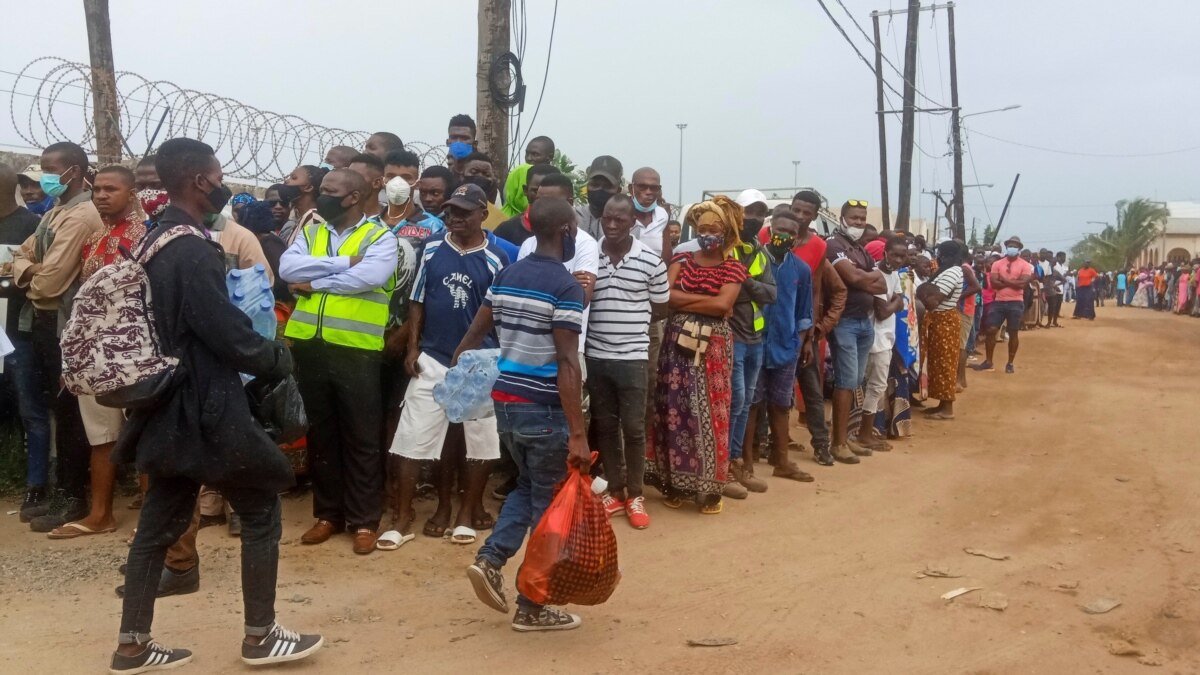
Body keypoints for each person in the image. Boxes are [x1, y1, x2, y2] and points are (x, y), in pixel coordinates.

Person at [110, 137, 321, 672]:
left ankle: (132, 645)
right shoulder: (193, 247)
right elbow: (221, 330)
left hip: (164, 402)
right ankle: (260, 636)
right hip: (206, 403)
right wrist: (274, 356)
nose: (223, 182)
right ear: (201, 181)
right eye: (218, 173)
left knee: (158, 523)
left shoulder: (153, 240)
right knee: (259, 509)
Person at [457, 197, 588, 632]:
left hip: (506, 406)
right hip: (544, 409)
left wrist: (461, 370)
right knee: (548, 511)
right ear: (566, 231)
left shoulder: (508, 273)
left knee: (529, 487)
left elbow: (474, 333)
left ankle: (490, 560)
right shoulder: (566, 287)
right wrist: (578, 433)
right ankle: (532, 606)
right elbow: (568, 363)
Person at [281, 168, 399, 556]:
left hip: (355, 347)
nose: (321, 195)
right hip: (309, 345)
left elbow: (370, 276)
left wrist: (315, 281)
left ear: (353, 197)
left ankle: (364, 520)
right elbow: (287, 269)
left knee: (362, 435)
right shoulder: (313, 230)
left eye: (330, 190)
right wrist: (344, 263)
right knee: (321, 433)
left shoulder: (382, 237)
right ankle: (328, 514)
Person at [386, 183, 507, 547]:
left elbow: (500, 314)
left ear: (483, 215)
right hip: (433, 358)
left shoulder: (498, 258)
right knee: (411, 437)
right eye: (451, 211)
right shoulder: (433, 248)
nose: (454, 218)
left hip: (479, 364)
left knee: (479, 442)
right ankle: (404, 517)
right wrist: (412, 348)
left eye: (463, 212)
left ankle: (466, 513)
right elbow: (417, 300)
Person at [48, 166, 146, 540]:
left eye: (112, 189)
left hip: (133, 352)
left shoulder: (145, 237)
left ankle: (150, 519)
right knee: (101, 436)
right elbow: (83, 305)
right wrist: (74, 357)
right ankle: (100, 515)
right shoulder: (94, 240)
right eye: (98, 189)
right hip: (94, 354)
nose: (102, 195)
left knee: (141, 433)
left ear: (132, 193)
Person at [12, 141, 99, 530]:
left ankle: (73, 495)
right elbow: (20, 255)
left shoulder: (81, 216)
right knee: (60, 408)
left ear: (75, 171)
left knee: (70, 413)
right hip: (46, 323)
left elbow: (48, 283)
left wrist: (26, 273)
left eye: (51, 169)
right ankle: (65, 490)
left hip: (65, 324)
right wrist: (29, 269)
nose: (45, 177)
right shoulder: (55, 212)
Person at [645, 196, 746, 514]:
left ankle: (709, 490)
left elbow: (722, 305)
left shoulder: (734, 267)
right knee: (674, 410)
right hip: (676, 347)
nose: (707, 233)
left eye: (714, 228)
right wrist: (705, 300)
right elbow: (665, 297)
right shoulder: (680, 261)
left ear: (725, 231)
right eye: (702, 228)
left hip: (713, 349)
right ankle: (675, 484)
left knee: (711, 414)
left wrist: (683, 300)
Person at [585, 194, 668, 528]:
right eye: (607, 218)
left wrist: (629, 330)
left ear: (634, 221)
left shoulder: (651, 261)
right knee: (604, 426)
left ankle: (635, 494)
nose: (613, 224)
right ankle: (615, 489)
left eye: (620, 219)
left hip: (633, 358)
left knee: (633, 428)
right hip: (596, 357)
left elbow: (660, 309)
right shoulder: (588, 257)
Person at [747, 210, 813, 481]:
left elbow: (804, 311)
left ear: (797, 238)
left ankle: (782, 461)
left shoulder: (801, 269)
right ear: (769, 230)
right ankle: (746, 462)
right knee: (751, 404)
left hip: (786, 347)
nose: (783, 236)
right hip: (753, 343)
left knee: (781, 404)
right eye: (779, 230)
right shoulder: (755, 260)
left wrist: (803, 342)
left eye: (791, 233)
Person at [0, 164, 47, 522]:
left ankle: (36, 485)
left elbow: (42, 276)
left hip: (19, 332)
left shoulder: (31, 226)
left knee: (31, 409)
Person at [825, 199, 886, 462]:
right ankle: (837, 443)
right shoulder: (834, 245)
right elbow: (853, 278)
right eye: (854, 218)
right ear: (842, 218)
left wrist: (861, 278)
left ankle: (847, 438)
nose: (859, 223)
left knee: (855, 382)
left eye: (862, 218)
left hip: (864, 322)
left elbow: (881, 282)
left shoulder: (860, 249)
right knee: (846, 382)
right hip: (845, 322)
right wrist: (863, 278)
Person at [790, 191, 845, 466]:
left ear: (814, 216)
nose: (800, 217)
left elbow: (818, 290)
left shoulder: (818, 247)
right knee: (763, 391)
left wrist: (816, 328)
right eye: (797, 210)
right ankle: (764, 443)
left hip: (802, 329)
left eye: (806, 213)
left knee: (811, 390)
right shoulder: (768, 237)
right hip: (770, 328)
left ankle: (821, 445)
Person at [858, 235, 906, 449]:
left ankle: (864, 431)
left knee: (874, 386)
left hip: (885, 338)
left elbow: (898, 301)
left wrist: (895, 302)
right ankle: (864, 434)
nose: (898, 260)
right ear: (885, 252)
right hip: (875, 339)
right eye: (894, 255)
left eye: (902, 256)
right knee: (874, 385)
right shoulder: (875, 274)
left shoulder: (894, 274)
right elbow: (883, 310)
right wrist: (896, 302)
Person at [916, 240, 967, 420]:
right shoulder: (946, 270)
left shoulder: (952, 272)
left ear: (944, 256)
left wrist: (920, 292)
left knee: (945, 363)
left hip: (944, 319)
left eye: (939, 254)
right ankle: (941, 404)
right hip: (938, 320)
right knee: (936, 363)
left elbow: (933, 300)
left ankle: (947, 409)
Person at [974, 236, 1033, 374]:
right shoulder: (997, 264)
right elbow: (994, 283)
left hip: (1016, 302)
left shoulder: (1025, 265)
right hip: (999, 301)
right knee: (991, 330)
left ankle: (1010, 362)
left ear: (1019, 248)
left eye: (1015, 245)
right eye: (1010, 245)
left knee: (1013, 332)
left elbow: (1023, 285)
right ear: (1007, 247)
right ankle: (989, 361)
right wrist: (1014, 282)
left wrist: (1004, 280)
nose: (1012, 247)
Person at [494, 163, 560, 246]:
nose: (542, 196)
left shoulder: (569, 231)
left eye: (550, 192)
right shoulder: (506, 230)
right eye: (536, 191)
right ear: (525, 190)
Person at [501, 135, 555, 217]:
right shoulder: (518, 172)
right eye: (527, 153)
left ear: (549, 157)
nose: (529, 158)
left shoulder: (556, 180)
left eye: (535, 154)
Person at [574, 155, 623, 241]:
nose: (599, 190)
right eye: (595, 185)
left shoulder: (627, 224)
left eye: (607, 186)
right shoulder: (572, 216)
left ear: (618, 190)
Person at [459, 151, 507, 232]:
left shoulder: (502, 200)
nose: (480, 176)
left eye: (486, 174)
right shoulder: (449, 199)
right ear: (462, 175)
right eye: (474, 172)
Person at [277, 165, 326, 244]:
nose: (287, 181)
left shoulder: (314, 219)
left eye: (294, 178)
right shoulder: (299, 218)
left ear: (309, 187)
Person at [347, 153, 386, 221]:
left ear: (377, 183)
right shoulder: (338, 216)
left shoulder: (392, 220)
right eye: (347, 175)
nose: (347, 181)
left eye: (356, 176)